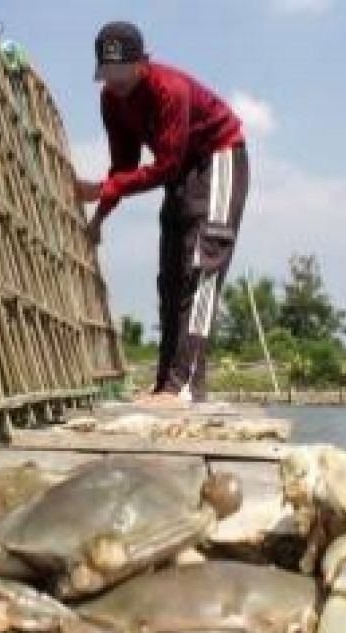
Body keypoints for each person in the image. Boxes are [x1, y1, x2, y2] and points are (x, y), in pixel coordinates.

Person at [76, 21, 249, 407]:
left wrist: (104, 190)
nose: (117, 82)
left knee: (202, 265)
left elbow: (166, 165)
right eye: (109, 74)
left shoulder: (170, 90)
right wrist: (99, 218)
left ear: (143, 64)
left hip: (217, 158)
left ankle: (184, 385)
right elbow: (124, 166)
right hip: (179, 169)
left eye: (124, 73)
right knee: (170, 275)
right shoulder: (111, 102)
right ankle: (164, 384)